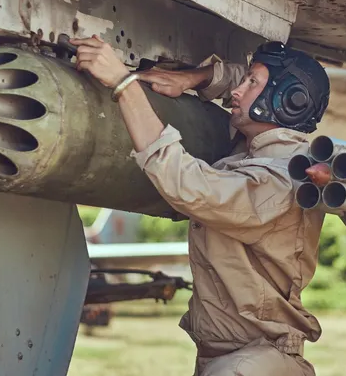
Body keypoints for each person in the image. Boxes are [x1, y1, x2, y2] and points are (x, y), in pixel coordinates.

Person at [70, 36, 331, 376]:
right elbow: (243, 77)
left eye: (252, 84)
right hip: (231, 356)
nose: (237, 90)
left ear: (286, 102)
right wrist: (193, 78)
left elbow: (186, 184)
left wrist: (123, 83)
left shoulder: (279, 180)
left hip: (255, 362)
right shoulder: (255, 150)